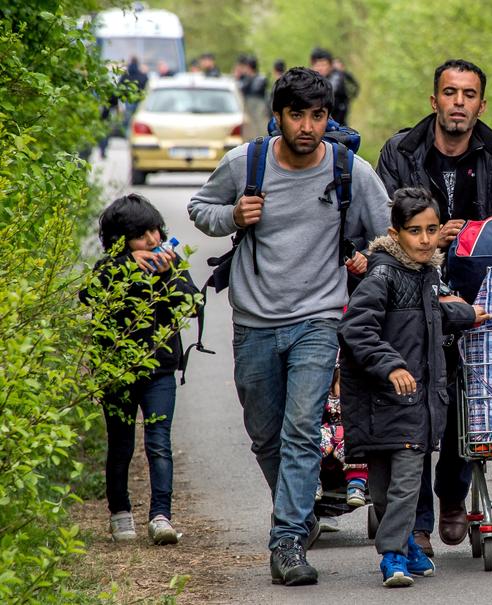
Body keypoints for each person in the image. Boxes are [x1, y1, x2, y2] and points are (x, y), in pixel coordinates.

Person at [187, 67, 391, 586]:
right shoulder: (246, 163)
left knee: (302, 431)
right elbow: (199, 208)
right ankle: (299, 513)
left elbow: (386, 234)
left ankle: (288, 543)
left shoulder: (349, 170)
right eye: (296, 115)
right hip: (254, 320)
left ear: (329, 118)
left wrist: (367, 259)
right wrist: (233, 215)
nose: (307, 126)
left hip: (319, 318)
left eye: (317, 116)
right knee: (265, 435)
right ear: (277, 117)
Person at [375, 58, 492, 557]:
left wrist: (480, 237)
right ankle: (416, 521)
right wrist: (433, 240)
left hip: (478, 301)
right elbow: (386, 228)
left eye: (468, 95)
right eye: (449, 92)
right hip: (410, 301)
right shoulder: (399, 152)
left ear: (481, 104)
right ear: (433, 99)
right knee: (412, 411)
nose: (458, 103)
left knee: (466, 403)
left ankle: (452, 495)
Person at [338, 188, 490, 587]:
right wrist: (390, 367)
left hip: (413, 402)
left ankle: (395, 553)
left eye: (431, 229)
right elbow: (356, 328)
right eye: (414, 231)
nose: (425, 239)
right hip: (380, 398)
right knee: (385, 489)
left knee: (404, 483)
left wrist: (466, 313)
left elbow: (431, 313)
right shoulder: (383, 274)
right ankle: (402, 543)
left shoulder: (425, 273)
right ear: (395, 232)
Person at [80, 193, 200, 546]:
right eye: (141, 235)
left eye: (155, 231)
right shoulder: (108, 268)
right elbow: (89, 296)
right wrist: (130, 268)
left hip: (160, 368)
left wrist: (166, 277)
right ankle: (120, 513)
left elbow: (193, 303)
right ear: (121, 240)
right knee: (120, 445)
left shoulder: (170, 261)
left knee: (159, 442)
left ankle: (161, 515)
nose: (153, 240)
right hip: (117, 369)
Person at [315, 361, 369, 533]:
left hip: (347, 440)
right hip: (327, 438)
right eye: (341, 385)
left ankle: (357, 484)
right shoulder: (328, 401)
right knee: (313, 439)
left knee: (358, 443)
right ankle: (312, 482)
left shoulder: (358, 402)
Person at [310, 47, 352, 125]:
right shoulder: (308, 79)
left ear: (330, 66)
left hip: (338, 123)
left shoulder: (337, 77)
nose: (320, 68)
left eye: (323, 65)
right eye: (317, 65)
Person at [234, 54, 269, 139]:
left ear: (249, 67)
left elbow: (254, 90)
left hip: (257, 116)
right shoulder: (245, 79)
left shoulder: (259, 79)